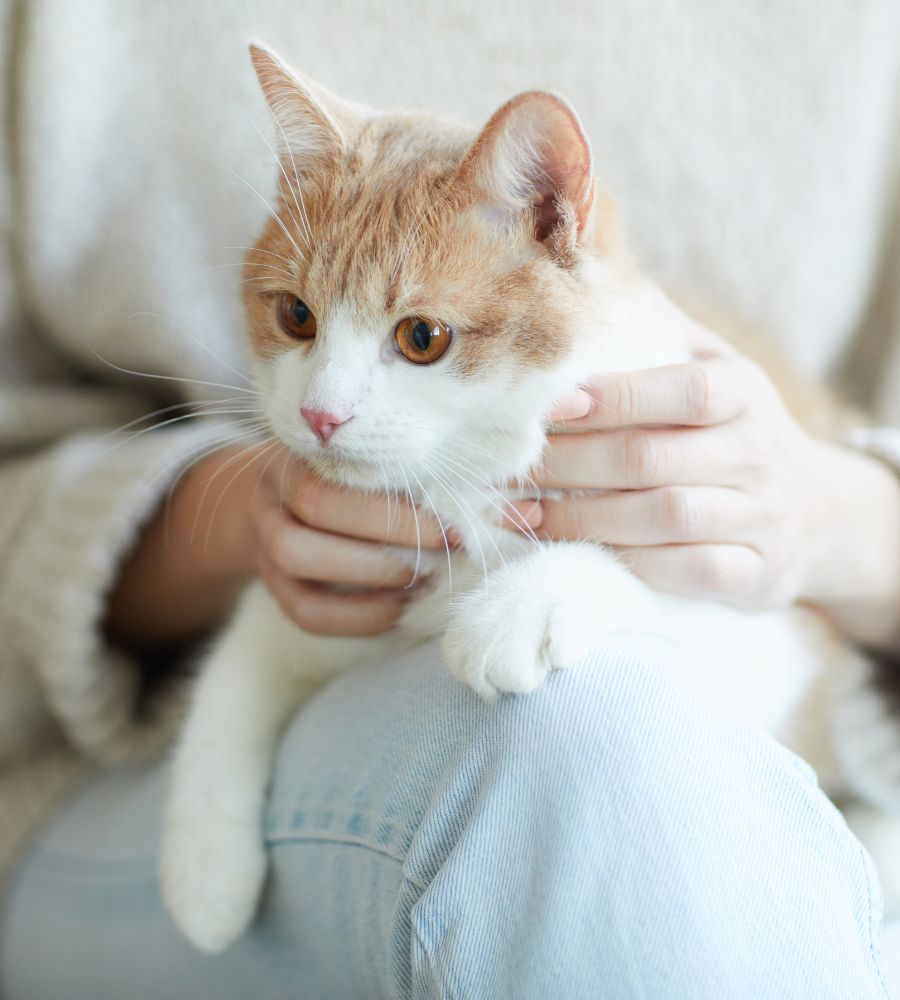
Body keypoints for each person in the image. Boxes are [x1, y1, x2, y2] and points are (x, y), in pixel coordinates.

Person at [1, 1, 899, 996]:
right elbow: (271, 650)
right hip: (85, 791)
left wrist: (835, 517)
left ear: (557, 219)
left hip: (796, 746)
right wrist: (223, 520)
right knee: (588, 738)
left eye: (419, 339)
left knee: (599, 730)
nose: (326, 409)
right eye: (298, 319)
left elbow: (767, 664)